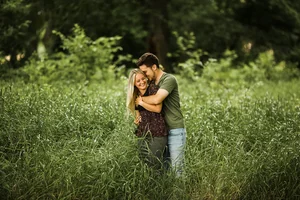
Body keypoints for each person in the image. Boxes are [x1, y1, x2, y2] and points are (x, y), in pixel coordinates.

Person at [135, 52, 186, 176]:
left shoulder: (169, 79)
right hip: (160, 132)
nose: (144, 75)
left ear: (154, 67)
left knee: (177, 169)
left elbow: (157, 100)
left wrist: (140, 100)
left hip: (175, 129)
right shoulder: (152, 83)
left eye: (145, 71)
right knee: (164, 169)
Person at [126, 68, 168, 171]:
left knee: (153, 164)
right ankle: (146, 186)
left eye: (143, 79)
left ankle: (159, 185)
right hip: (143, 133)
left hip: (157, 132)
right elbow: (138, 113)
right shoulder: (136, 95)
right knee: (143, 163)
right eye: (138, 81)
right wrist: (137, 119)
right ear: (134, 84)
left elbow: (158, 109)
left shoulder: (153, 89)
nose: (142, 82)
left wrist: (142, 103)